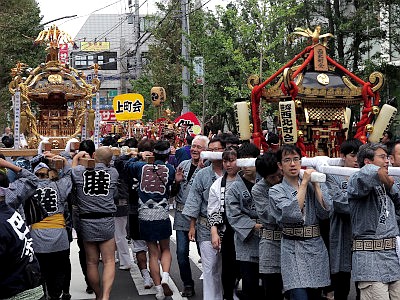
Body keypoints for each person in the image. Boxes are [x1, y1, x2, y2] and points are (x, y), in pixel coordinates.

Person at [269, 144, 332, 300]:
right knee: (299, 294)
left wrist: (316, 184)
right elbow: (291, 214)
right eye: (287, 160)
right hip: (293, 248)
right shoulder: (276, 190)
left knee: (315, 295)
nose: (292, 164)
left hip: (315, 247)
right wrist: (304, 183)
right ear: (280, 165)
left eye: (296, 159)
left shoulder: (311, 185)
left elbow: (325, 213)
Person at [347, 142, 400, 299]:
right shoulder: (357, 180)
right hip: (369, 261)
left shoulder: (387, 184)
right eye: (382, 157)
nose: (387, 161)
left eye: (387, 157)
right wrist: (382, 175)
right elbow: (365, 174)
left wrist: (390, 185)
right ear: (367, 161)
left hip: (393, 259)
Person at [125, 140, 176, 300]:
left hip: (145, 214)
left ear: (153, 153)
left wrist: (137, 156)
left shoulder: (141, 167)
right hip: (161, 213)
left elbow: (126, 166)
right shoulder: (170, 169)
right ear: (168, 155)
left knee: (153, 254)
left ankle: (159, 289)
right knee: (165, 249)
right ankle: (166, 277)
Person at [72, 147, 119, 300]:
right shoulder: (113, 173)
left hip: (86, 221)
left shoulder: (79, 172)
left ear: (93, 156)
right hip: (106, 220)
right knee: (109, 260)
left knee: (91, 262)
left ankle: (98, 294)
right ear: (110, 161)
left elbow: (71, 171)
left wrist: (76, 158)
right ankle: (105, 296)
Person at [182, 136, 226, 300]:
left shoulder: (233, 172)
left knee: (227, 266)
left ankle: (224, 294)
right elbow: (194, 200)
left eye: (218, 150)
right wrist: (192, 226)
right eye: (211, 150)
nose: (215, 153)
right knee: (210, 267)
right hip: (205, 225)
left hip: (229, 227)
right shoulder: (202, 174)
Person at [0, 159, 44, 300]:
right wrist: (10, 165)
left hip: (16, 289)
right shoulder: (10, 206)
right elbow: (32, 179)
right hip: (29, 280)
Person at [324, 138, 362, 300]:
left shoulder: (366, 176)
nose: (356, 160)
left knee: (364, 284)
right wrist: (361, 199)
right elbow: (339, 204)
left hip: (362, 233)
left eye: (359, 156)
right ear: (342, 156)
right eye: (352, 155)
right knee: (342, 283)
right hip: (341, 232)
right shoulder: (332, 175)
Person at [30, 160, 72, 300]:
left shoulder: (29, 186)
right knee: (60, 269)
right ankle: (56, 294)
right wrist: (64, 160)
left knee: (42, 270)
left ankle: (45, 295)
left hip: (37, 235)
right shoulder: (58, 185)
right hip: (59, 234)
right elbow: (68, 174)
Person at [225, 143, 262, 300]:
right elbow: (233, 214)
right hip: (246, 239)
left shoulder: (267, 181)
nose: (246, 166)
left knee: (270, 282)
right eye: (243, 161)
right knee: (249, 281)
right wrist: (253, 225)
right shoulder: (234, 188)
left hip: (268, 238)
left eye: (250, 161)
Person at [173, 134, 209, 297]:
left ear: (206, 151)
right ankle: (188, 284)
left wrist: (203, 173)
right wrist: (177, 182)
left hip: (202, 218)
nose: (194, 150)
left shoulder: (209, 168)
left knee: (206, 254)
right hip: (182, 215)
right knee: (181, 254)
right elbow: (172, 193)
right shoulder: (183, 164)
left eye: (199, 147)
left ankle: (214, 284)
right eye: (193, 146)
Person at [207, 146, 241, 300]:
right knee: (227, 267)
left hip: (247, 230)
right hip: (227, 230)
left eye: (232, 160)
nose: (228, 164)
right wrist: (214, 232)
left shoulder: (246, 181)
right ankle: (228, 294)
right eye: (225, 161)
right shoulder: (218, 184)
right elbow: (213, 210)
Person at [252, 151, 284, 299]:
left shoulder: (289, 181)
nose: (277, 179)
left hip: (292, 242)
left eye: (279, 175)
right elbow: (270, 217)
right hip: (270, 243)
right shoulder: (258, 189)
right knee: (272, 290)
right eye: (272, 177)